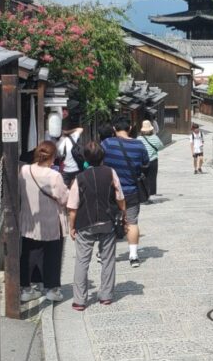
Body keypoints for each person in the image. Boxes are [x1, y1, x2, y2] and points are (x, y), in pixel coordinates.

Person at [67, 141, 126, 310]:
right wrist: (123, 213)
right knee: (108, 259)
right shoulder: (110, 172)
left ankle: (80, 300)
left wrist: (72, 227)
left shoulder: (80, 178)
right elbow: (120, 196)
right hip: (107, 221)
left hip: (85, 223)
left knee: (82, 261)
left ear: (85, 158)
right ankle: (106, 295)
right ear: (103, 157)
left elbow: (72, 207)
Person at [19, 140, 69, 303]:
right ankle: (51, 289)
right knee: (52, 255)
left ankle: (26, 287)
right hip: (51, 221)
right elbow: (63, 198)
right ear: (53, 157)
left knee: (29, 253)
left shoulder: (25, 170)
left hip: (29, 219)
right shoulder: (54, 176)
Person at [101, 116, 149, 268]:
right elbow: (145, 163)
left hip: (111, 191)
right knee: (132, 222)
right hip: (131, 190)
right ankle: (133, 256)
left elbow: (99, 161)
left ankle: (105, 254)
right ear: (129, 129)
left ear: (114, 129)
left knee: (109, 222)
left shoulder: (106, 144)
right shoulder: (139, 145)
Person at [139, 119, 164, 197]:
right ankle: (152, 193)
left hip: (142, 161)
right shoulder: (155, 137)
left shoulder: (139, 139)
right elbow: (161, 147)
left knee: (143, 177)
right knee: (152, 177)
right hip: (153, 160)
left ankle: (144, 193)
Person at [57, 123, 84, 188]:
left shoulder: (57, 144)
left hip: (65, 171)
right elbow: (80, 129)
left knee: (64, 191)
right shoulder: (73, 138)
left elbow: (59, 158)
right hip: (76, 169)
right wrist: (67, 132)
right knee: (75, 191)